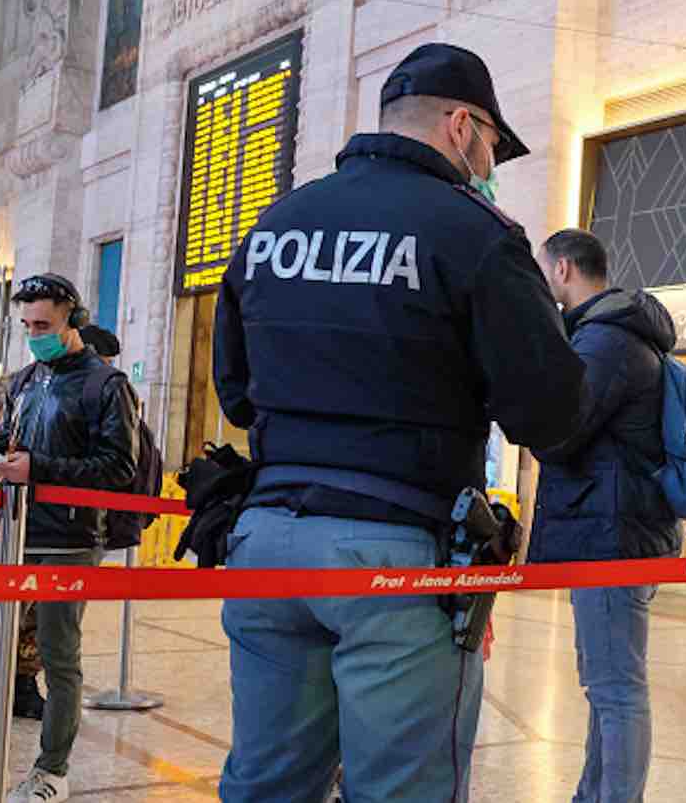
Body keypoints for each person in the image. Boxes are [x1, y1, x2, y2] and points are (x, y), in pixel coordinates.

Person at [212, 43, 586, 803]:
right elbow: (549, 411)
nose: (490, 162)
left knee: (266, 787)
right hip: (394, 558)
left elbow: (235, 390)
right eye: (491, 143)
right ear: (459, 126)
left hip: (267, 540)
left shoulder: (277, 223)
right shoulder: (475, 233)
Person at [0, 273, 139, 803]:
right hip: (11, 534)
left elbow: (119, 469)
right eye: (26, 325)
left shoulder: (105, 386)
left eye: (42, 324)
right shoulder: (26, 380)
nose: (34, 334)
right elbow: (8, 442)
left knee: (57, 656)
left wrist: (39, 468)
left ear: (74, 319)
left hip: (67, 540)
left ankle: (51, 769)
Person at [529, 229, 680, 803]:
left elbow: (561, 431)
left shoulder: (605, 341)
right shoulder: (611, 334)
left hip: (612, 539)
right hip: (613, 532)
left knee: (616, 689)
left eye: (543, 270)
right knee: (605, 685)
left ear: (563, 269)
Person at [0, 379, 45, 723]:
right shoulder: (16, 387)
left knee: (32, 609)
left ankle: (23, 683)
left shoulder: (82, 388)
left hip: (38, 518)